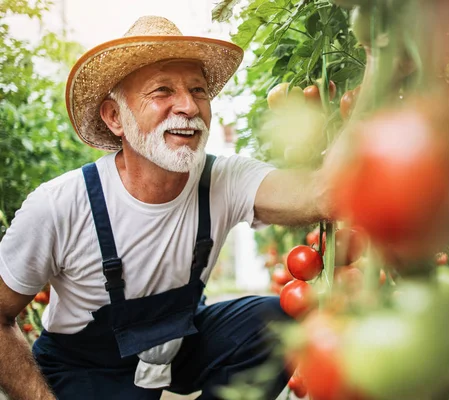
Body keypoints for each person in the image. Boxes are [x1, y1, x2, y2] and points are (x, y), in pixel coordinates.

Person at [0, 16, 330, 400]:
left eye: (198, 90)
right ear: (114, 117)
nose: (189, 106)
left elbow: (320, 194)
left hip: (177, 347)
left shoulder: (223, 180)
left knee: (276, 323)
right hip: (85, 369)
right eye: (162, 91)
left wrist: (378, 58)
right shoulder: (59, 206)